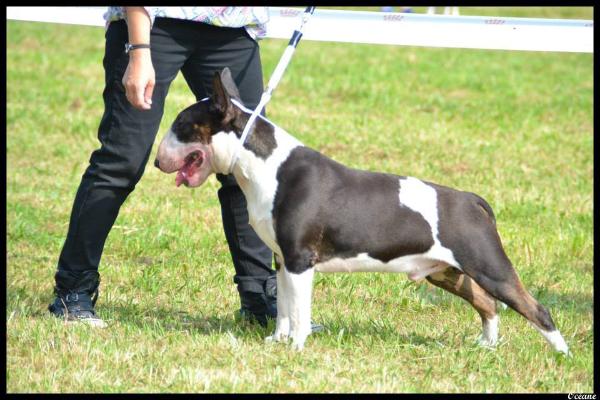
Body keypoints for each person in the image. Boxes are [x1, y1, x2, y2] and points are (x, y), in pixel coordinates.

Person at [48, 7, 280, 328]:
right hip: (150, 26)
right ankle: (72, 290)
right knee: (122, 161)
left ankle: (259, 297)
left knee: (247, 164)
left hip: (231, 26)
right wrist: (139, 51)